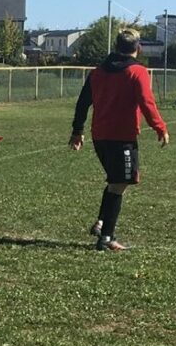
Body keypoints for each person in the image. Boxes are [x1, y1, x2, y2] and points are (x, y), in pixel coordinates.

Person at [70, 30, 169, 251]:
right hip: (122, 137)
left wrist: (77, 131)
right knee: (119, 184)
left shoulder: (97, 72)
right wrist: (160, 127)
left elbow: (83, 102)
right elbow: (146, 102)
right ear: (139, 48)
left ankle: (100, 223)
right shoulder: (137, 71)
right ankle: (106, 238)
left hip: (99, 136)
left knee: (115, 181)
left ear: (115, 47)